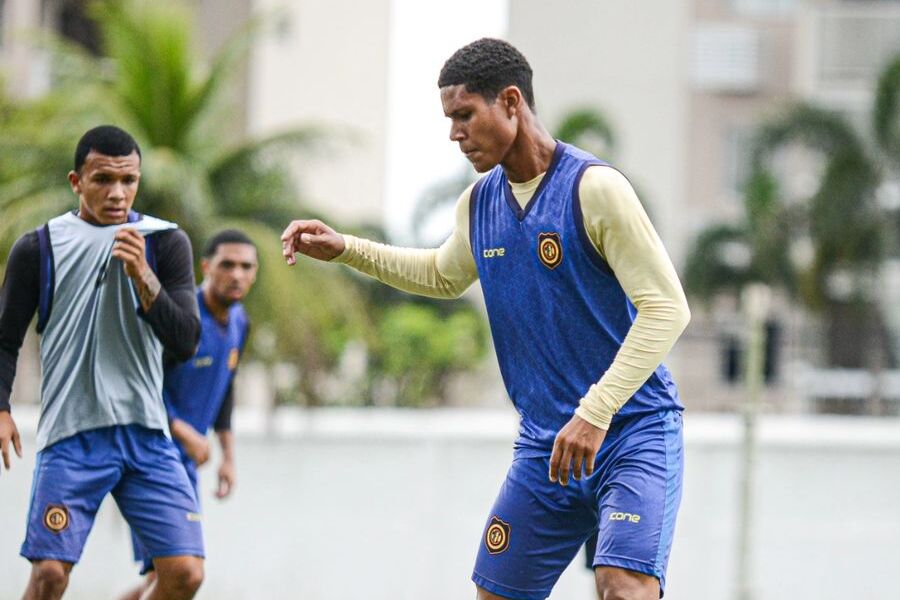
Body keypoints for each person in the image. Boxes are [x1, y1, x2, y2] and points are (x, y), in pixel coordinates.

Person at [281, 38, 691, 600]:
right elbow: (441, 275)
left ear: (512, 102)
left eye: (464, 115)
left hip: (631, 432)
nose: (454, 134)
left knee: (622, 587)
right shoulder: (480, 203)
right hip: (546, 445)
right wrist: (347, 248)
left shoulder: (593, 188)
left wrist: (596, 412)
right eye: (449, 119)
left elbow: (667, 308)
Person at [0, 125, 205, 600]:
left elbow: (186, 341)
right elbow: (5, 337)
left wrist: (143, 276)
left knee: (185, 574)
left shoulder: (165, 243)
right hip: (73, 436)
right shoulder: (39, 247)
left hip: (146, 436)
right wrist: (2, 408)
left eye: (128, 180)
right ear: (77, 181)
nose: (117, 193)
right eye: (103, 180)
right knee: (50, 574)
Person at [119, 230, 257, 600]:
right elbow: (140, 386)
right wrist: (185, 432)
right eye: (227, 264)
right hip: (149, 458)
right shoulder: (179, 316)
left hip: (187, 467)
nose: (237, 274)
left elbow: (225, 386)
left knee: (166, 580)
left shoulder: (240, 322)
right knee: (177, 576)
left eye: (246, 266)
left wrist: (228, 456)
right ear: (206, 267)